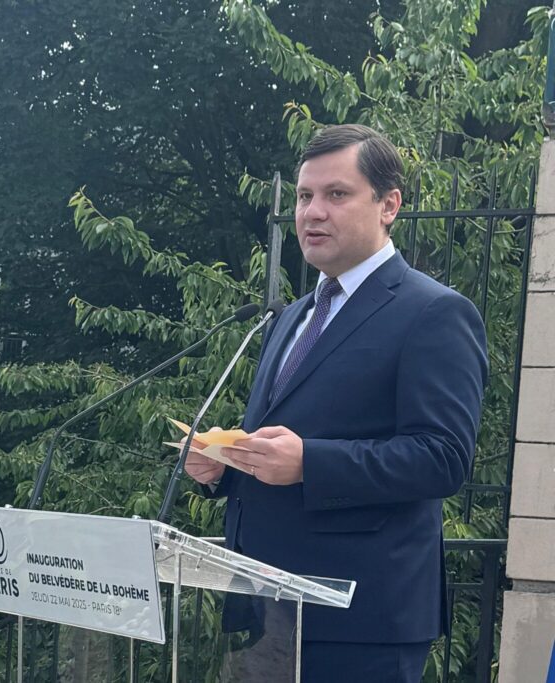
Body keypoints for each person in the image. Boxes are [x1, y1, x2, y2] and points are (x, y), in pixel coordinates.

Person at [185, 125, 488, 682]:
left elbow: (443, 458)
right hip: (263, 608)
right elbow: (284, 445)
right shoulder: (292, 316)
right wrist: (226, 466)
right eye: (304, 196)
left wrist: (311, 462)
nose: (312, 212)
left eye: (336, 194)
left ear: (389, 205)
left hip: (360, 620)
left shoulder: (434, 313)